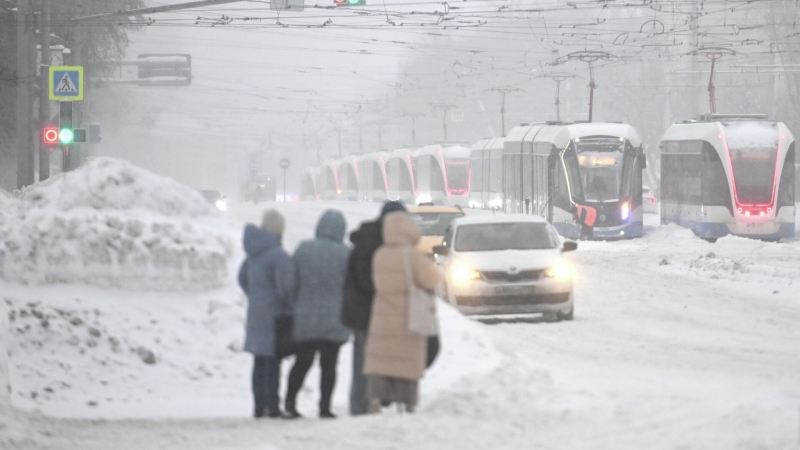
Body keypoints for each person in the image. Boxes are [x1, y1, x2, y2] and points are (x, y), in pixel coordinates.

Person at [363, 211, 444, 414]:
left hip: (382, 317)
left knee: (381, 361)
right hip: (407, 317)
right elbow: (433, 279)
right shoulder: (412, 255)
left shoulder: (379, 254)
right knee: (406, 362)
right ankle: (407, 402)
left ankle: (376, 399)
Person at [341, 201, 407, 416]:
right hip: (366, 311)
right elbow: (365, 281)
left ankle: (371, 400)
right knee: (365, 359)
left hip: (372, 309)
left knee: (370, 359)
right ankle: (361, 405)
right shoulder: (374, 242)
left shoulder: (373, 238)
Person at [284, 210, 351, 419]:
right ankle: (325, 407)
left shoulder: (304, 249)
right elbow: (350, 287)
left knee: (302, 361)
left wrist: (295, 304)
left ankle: (290, 401)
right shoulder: (346, 254)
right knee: (329, 365)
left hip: (306, 317)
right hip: (334, 319)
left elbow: (290, 283)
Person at [238, 210, 291, 419]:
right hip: (274, 316)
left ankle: (259, 406)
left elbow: (242, 278)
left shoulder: (253, 254)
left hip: (255, 313)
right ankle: (272, 406)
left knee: (259, 361)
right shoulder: (278, 255)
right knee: (272, 362)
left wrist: (255, 295)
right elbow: (285, 287)